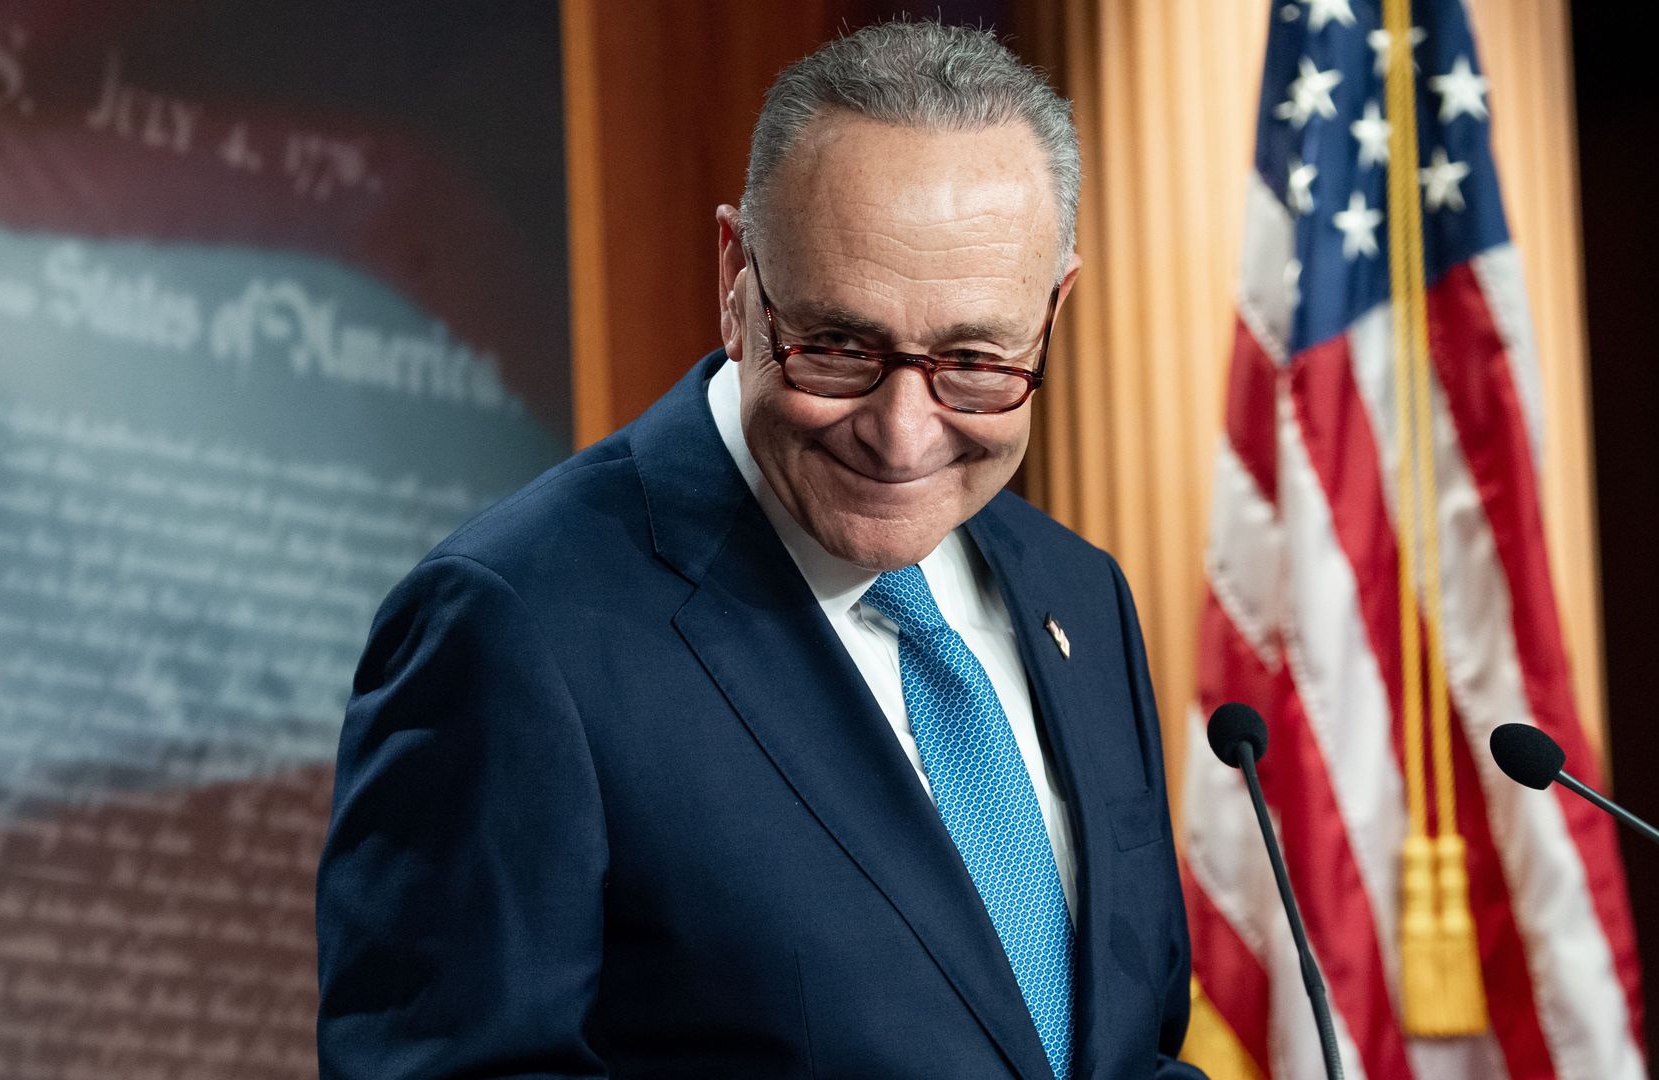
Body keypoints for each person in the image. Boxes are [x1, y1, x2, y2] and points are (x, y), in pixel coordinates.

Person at [316, 20, 1205, 1080]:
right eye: (837, 347)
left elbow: (1127, 1049)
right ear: (736, 274)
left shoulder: (1079, 595)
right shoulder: (513, 627)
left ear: (1052, 310)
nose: (902, 433)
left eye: (974, 359)